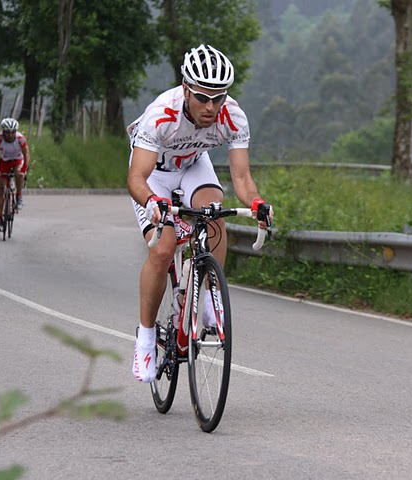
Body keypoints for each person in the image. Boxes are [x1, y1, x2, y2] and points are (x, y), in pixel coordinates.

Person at [127, 44, 273, 383]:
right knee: (162, 249)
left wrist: (257, 204)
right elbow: (136, 177)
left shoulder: (232, 116)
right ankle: (146, 338)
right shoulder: (162, 114)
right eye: (202, 97)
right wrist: (153, 202)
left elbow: (241, 178)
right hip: (154, 176)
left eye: (218, 97)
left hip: (193, 164)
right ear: (185, 88)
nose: (211, 107)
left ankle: (207, 294)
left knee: (215, 217)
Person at [0, 117, 30, 232]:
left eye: (12, 132)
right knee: (0, 187)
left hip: (17, 160)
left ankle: (19, 195)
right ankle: (0, 219)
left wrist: (24, 170)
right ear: (3, 131)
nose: (10, 135)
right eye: (7, 132)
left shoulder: (20, 139)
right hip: (4, 161)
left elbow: (26, 154)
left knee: (18, 173)